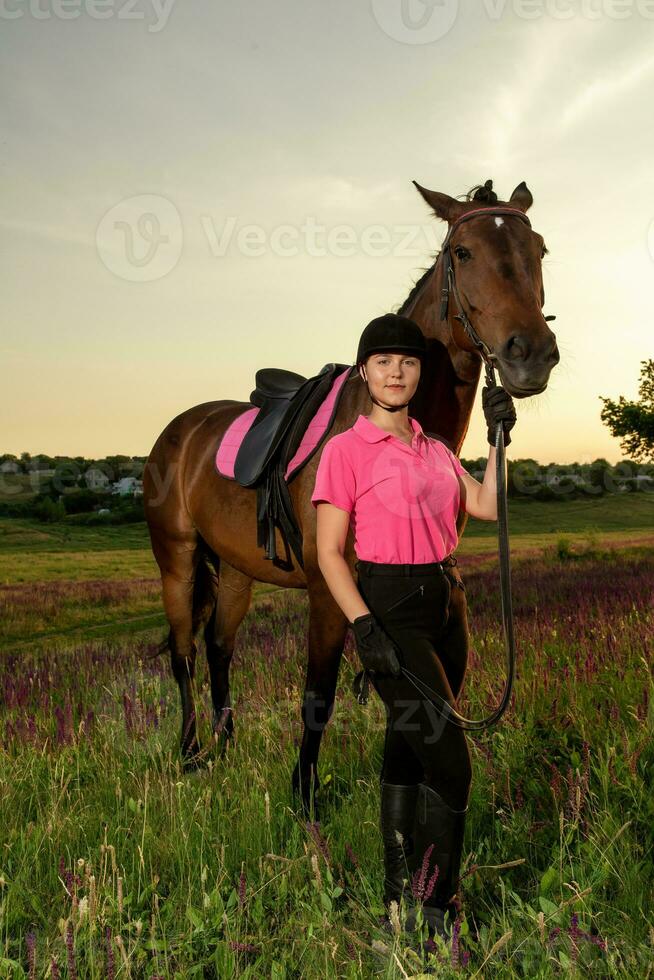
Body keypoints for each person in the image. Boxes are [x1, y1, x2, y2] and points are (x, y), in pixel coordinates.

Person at [310, 313, 516, 942]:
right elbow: (328, 553)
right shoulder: (345, 449)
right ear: (365, 372)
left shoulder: (433, 449)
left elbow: (485, 505)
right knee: (451, 763)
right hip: (390, 609)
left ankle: (401, 891)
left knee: (408, 746)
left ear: (418, 373)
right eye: (383, 362)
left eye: (407, 362)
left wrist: (499, 439)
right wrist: (364, 627)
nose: (396, 372)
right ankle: (437, 916)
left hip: (446, 604)